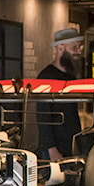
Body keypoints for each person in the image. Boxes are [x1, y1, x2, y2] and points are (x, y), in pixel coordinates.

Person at [37, 28, 85, 161]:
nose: (79, 51)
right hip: (55, 148)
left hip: (71, 143)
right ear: (60, 47)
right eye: (74, 47)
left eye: (79, 47)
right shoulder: (47, 77)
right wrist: (51, 148)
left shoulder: (70, 76)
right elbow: (43, 115)